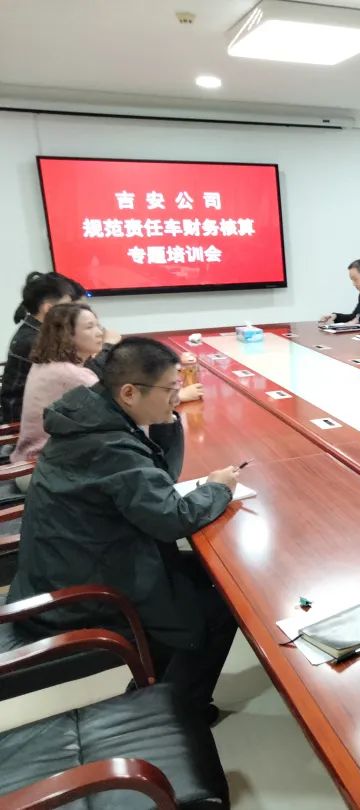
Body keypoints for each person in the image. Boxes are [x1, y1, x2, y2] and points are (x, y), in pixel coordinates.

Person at [7, 338, 241, 722]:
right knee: (223, 603)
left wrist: (167, 421)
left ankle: (158, 684)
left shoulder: (92, 418)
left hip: (71, 566)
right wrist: (219, 489)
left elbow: (161, 481)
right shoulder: (109, 446)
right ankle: (177, 713)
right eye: (170, 389)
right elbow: (172, 519)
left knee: (208, 578)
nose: (177, 397)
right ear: (130, 393)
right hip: (81, 595)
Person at [11, 303, 103, 485]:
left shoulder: (46, 364)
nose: (100, 332)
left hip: (29, 461)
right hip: (45, 471)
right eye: (89, 327)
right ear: (67, 334)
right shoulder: (72, 375)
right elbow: (119, 416)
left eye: (98, 325)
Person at [1, 272, 73, 423]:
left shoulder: (35, 331)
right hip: (22, 421)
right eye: (68, 306)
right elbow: (72, 378)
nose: (73, 312)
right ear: (48, 308)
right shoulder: (36, 340)